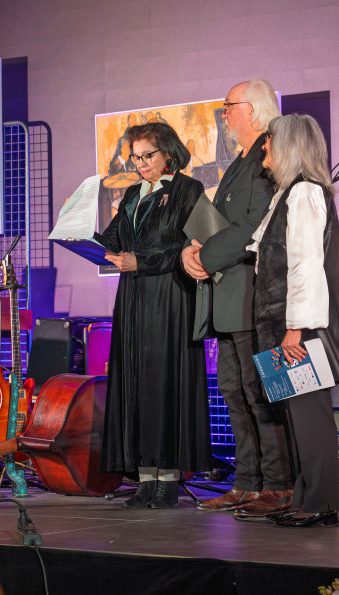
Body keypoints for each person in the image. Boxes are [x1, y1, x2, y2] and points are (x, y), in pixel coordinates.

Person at [181, 79, 295, 521]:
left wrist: (206, 257)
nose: (223, 114)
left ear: (253, 109)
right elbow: (217, 221)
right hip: (227, 296)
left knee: (260, 391)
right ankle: (247, 483)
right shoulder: (238, 163)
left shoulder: (269, 156)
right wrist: (190, 249)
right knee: (233, 391)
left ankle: (278, 485)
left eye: (229, 106)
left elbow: (254, 224)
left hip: (252, 294)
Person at [249, 114, 339, 528]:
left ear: (289, 145)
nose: (264, 147)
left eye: (269, 140)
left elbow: (306, 265)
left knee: (310, 414)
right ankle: (308, 497)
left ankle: (320, 501)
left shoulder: (305, 192)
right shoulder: (289, 193)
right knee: (297, 414)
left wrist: (295, 329)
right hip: (288, 324)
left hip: (299, 327)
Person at [98, 121, 211, 509]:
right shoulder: (132, 194)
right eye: (135, 157)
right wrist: (79, 232)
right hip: (133, 297)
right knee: (136, 382)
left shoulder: (188, 189)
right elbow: (112, 240)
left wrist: (141, 262)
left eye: (148, 155)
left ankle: (169, 479)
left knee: (165, 383)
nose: (141, 163)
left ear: (169, 153)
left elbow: (190, 248)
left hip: (170, 296)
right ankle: (145, 477)